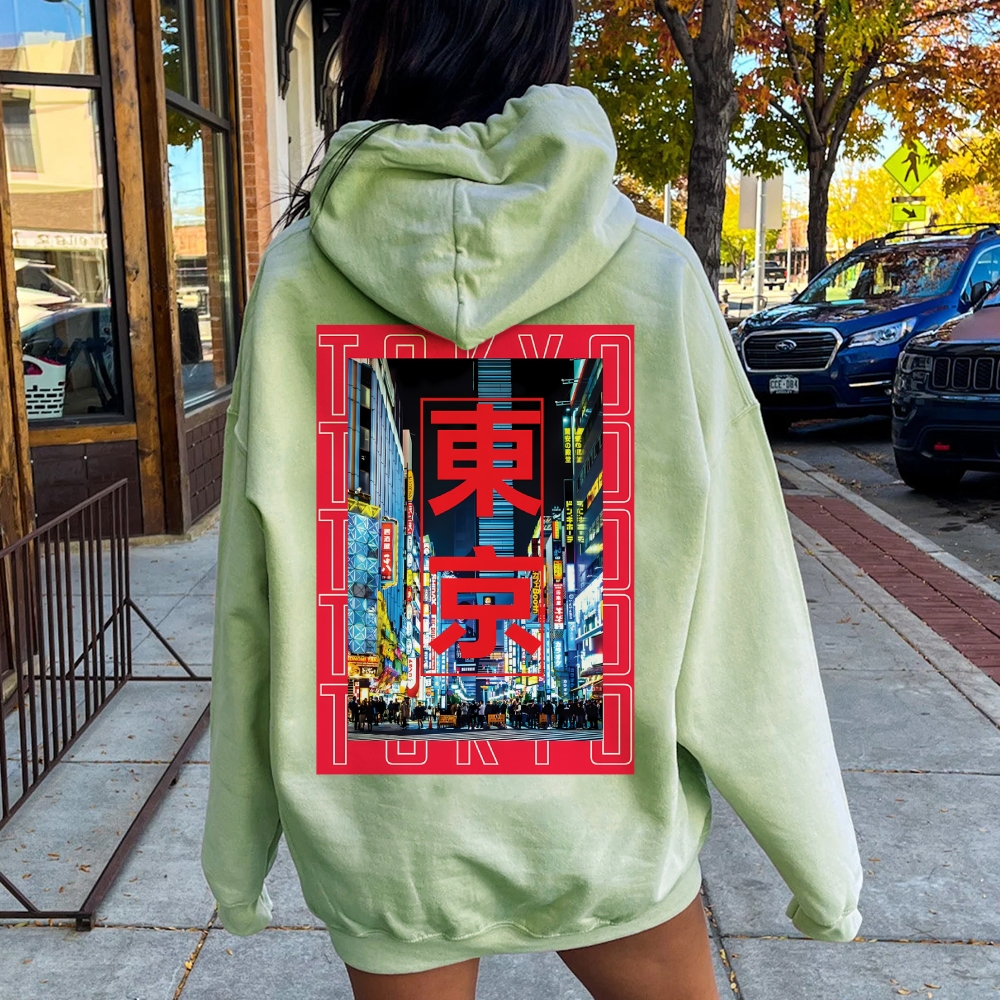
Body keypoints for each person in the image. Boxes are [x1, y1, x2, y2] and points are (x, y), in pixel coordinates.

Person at [201, 2, 863, 998]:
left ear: (376, 44)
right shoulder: (654, 275)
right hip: (606, 831)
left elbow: (254, 592)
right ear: (542, 43)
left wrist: (237, 850)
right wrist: (820, 864)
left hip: (389, 841)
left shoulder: (297, 283)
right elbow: (744, 599)